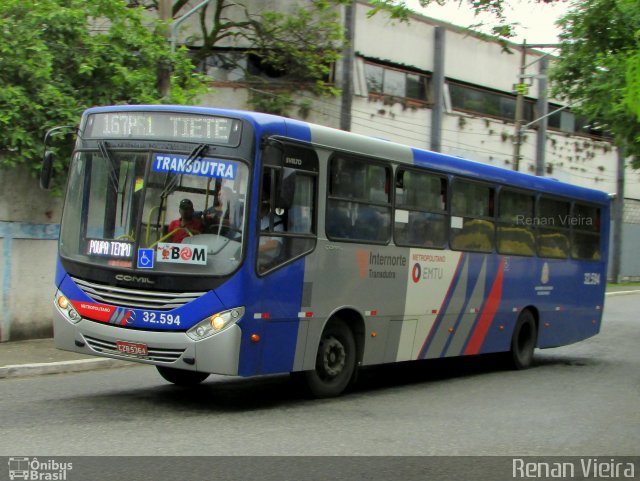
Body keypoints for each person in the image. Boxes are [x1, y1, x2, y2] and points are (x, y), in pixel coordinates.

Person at [258, 199, 284, 270]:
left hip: (267, 259)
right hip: (253, 257)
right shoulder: (251, 218)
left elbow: (274, 244)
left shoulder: (275, 221)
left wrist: (252, 250)